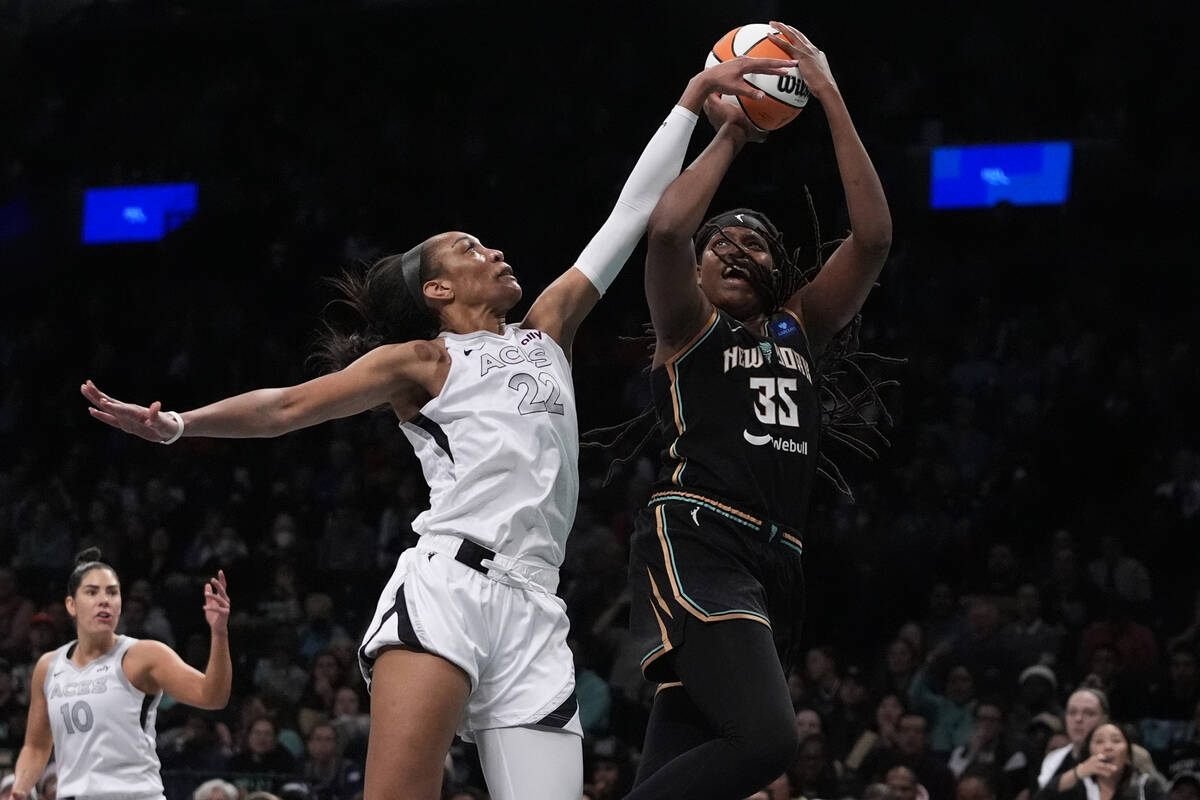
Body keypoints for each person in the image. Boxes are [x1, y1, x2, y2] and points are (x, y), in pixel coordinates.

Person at [77, 54, 798, 800]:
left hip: (537, 610)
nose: (495, 251)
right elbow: (288, 405)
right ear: (438, 288)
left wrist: (698, 112)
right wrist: (179, 425)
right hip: (450, 585)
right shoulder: (421, 360)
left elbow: (631, 213)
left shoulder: (547, 328)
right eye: (471, 249)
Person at [620, 22, 893, 800]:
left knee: (686, 752)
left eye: (756, 242)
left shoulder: (801, 326)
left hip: (778, 561)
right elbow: (669, 227)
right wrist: (732, 136)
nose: (735, 247)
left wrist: (831, 95)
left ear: (781, 271)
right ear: (698, 274)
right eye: (722, 243)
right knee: (770, 740)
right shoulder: (686, 327)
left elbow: (872, 238)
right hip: (701, 534)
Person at [8, 548, 231, 800]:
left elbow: (213, 697)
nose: (105, 600)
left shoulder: (144, 655)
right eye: (92, 592)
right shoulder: (48, 667)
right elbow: (36, 746)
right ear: (71, 605)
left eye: (112, 592)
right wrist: (20, 788)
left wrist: (219, 633)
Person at [1032, 722, 1166, 800]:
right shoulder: (1079, 788)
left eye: (1116, 740)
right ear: (1089, 753)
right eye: (1099, 741)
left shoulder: (1147, 786)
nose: (1108, 747)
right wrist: (1080, 771)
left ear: (1128, 756)